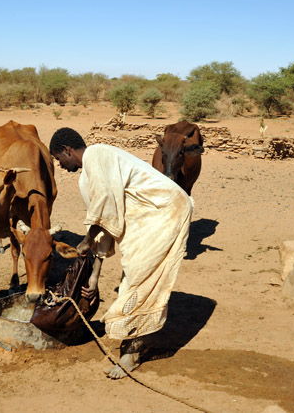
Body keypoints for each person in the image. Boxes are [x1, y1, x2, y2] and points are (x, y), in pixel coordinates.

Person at [49, 127, 192, 379]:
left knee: (139, 277)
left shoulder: (98, 155)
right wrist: (94, 277)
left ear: (67, 150)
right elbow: (107, 224)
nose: (59, 165)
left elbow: (103, 211)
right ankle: (135, 341)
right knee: (134, 273)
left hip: (165, 210)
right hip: (147, 219)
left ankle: (134, 352)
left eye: (58, 159)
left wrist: (86, 239)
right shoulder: (88, 175)